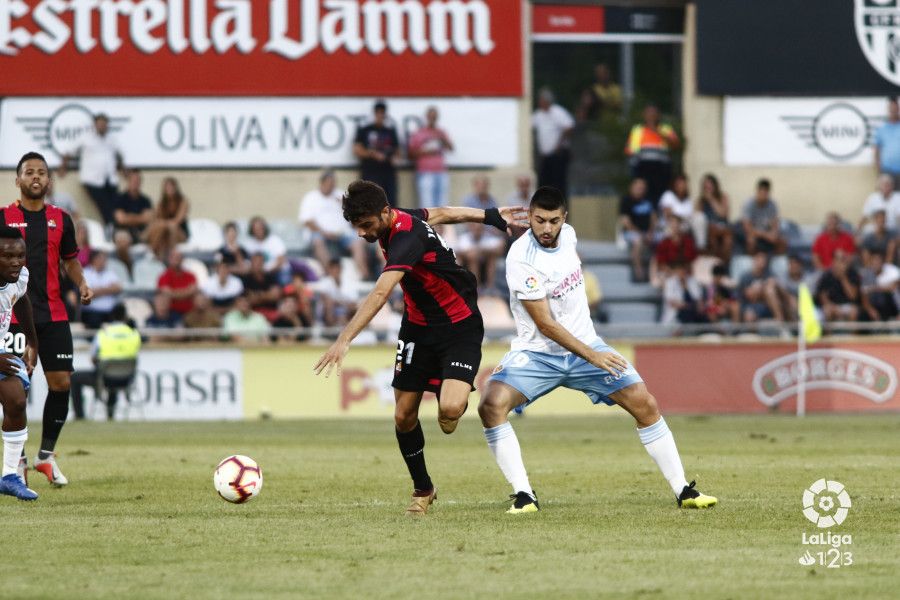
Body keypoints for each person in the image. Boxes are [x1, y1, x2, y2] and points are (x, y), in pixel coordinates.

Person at [477, 187, 716, 514]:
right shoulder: (520, 258)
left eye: (553, 221)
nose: (546, 229)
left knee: (644, 403)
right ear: (529, 218)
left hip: (587, 345)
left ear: (565, 219)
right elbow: (546, 325)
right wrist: (594, 356)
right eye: (538, 221)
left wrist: (592, 351)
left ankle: (684, 490)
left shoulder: (570, 237)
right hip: (539, 354)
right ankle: (524, 495)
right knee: (491, 405)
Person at [314, 180, 525, 515]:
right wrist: (489, 216)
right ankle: (423, 489)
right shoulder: (398, 219)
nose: (361, 234)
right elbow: (442, 213)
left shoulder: (405, 237)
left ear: (384, 213)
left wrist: (344, 338)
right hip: (417, 329)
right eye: (356, 227)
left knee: (449, 415)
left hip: (459, 326)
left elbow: (381, 294)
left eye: (366, 226)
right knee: (402, 415)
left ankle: (462, 384)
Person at [2, 152, 94, 488]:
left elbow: (70, 260)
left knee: (61, 384)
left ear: (49, 181)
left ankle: (45, 457)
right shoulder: (4, 217)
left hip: (54, 314)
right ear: (18, 180)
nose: (36, 177)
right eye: (29, 172)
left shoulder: (61, 219)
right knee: (14, 392)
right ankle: (19, 461)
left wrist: (81, 282)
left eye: (41, 172)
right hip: (13, 317)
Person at [0, 227, 40, 500]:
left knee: (16, 401)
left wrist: (32, 342)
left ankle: (9, 476)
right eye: (7, 256)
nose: (16, 262)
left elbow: (21, 299)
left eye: (20, 255)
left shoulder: (18, 277)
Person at [69, 304, 140, 421]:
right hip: (127, 378)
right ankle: (110, 415)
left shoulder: (103, 334)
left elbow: (92, 358)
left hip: (105, 378)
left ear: (111, 316)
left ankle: (80, 416)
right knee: (115, 371)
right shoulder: (134, 334)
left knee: (75, 378)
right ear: (125, 316)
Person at [299, 169, 369, 280]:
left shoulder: (340, 195)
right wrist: (325, 233)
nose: (331, 187)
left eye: (333, 184)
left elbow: (356, 217)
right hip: (320, 233)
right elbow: (307, 221)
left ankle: (364, 275)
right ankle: (331, 276)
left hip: (342, 233)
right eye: (329, 184)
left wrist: (346, 205)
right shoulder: (311, 197)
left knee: (358, 241)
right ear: (322, 183)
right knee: (317, 242)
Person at [60, 113, 123, 225]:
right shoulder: (86, 138)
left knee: (115, 208)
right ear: (95, 125)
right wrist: (63, 168)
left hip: (110, 180)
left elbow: (119, 155)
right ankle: (111, 229)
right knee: (106, 208)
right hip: (92, 180)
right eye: (100, 124)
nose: (102, 126)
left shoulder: (111, 139)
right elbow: (69, 151)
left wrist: (125, 171)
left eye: (104, 124)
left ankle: (112, 227)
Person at [455, 175, 506, 291]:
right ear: (475, 186)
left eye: (484, 185)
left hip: (487, 236)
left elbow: (497, 222)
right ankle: (476, 288)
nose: (482, 188)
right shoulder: (468, 200)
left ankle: (490, 288)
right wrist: (479, 229)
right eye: (479, 185)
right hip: (471, 235)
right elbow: (466, 221)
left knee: (498, 247)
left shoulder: (492, 200)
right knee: (473, 255)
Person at [625, 105, 681, 205]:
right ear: (644, 115)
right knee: (644, 197)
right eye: (649, 114)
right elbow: (629, 151)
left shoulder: (666, 129)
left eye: (654, 114)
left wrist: (657, 132)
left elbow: (676, 145)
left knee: (661, 197)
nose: (651, 116)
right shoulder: (637, 131)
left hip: (661, 171)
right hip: (643, 170)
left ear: (658, 116)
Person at [353, 100, 400, 207]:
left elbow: (398, 152)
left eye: (382, 113)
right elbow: (357, 150)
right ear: (374, 113)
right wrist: (372, 154)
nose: (380, 115)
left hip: (388, 174)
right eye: (378, 112)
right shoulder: (365, 130)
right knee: (370, 203)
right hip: (370, 173)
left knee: (390, 204)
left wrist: (394, 158)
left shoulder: (390, 131)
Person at [532, 87, 575, 198]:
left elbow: (569, 127)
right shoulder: (538, 115)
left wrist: (559, 144)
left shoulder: (557, 112)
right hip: (546, 156)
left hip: (558, 154)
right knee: (544, 184)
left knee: (559, 185)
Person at [408, 106, 454, 208]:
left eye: (435, 117)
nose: (433, 119)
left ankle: (441, 225)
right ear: (427, 117)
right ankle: (428, 224)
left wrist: (442, 139)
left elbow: (451, 148)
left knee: (443, 205)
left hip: (441, 172)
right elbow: (410, 154)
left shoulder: (441, 132)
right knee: (427, 205)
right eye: (431, 117)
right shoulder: (418, 133)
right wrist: (425, 151)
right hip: (425, 173)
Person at [112, 169, 153, 270]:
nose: (135, 182)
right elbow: (121, 219)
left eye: (138, 180)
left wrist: (128, 217)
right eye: (133, 180)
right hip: (123, 231)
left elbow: (148, 218)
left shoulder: (145, 200)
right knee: (122, 242)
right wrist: (139, 218)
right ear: (128, 181)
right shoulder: (120, 198)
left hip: (141, 232)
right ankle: (129, 268)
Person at [619, 178, 656, 282]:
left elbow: (654, 217)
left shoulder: (648, 200)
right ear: (632, 187)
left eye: (643, 188)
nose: (641, 190)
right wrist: (641, 234)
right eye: (639, 188)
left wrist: (650, 232)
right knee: (638, 241)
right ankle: (638, 272)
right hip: (631, 233)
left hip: (648, 232)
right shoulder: (626, 200)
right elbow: (626, 222)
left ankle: (655, 272)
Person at [144, 177, 190, 259]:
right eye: (167, 187)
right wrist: (162, 224)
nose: (169, 189)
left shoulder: (183, 201)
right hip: (164, 233)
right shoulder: (161, 203)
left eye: (171, 187)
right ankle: (157, 255)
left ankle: (155, 250)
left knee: (171, 227)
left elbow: (177, 221)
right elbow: (157, 218)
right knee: (160, 229)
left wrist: (163, 224)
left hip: (180, 232)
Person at [739, 179, 786, 255]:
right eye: (762, 192)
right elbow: (747, 228)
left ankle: (775, 261)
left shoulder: (772, 204)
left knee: (782, 241)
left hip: (766, 232)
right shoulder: (748, 204)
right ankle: (752, 262)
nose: (763, 195)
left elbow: (775, 222)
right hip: (754, 233)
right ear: (757, 191)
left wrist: (774, 232)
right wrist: (766, 235)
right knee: (751, 240)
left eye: (766, 192)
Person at [815, 250, 862, 323]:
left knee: (854, 312)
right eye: (839, 260)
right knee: (827, 311)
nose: (841, 263)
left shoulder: (852, 274)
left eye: (843, 260)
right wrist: (831, 306)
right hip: (832, 305)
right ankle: (828, 334)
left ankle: (853, 334)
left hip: (848, 305)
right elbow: (822, 296)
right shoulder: (826, 276)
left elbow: (853, 296)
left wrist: (843, 278)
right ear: (834, 261)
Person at [80, 250, 123, 330]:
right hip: (91, 311)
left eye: (105, 259)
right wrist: (108, 289)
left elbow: (118, 288)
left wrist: (97, 291)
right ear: (94, 259)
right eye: (101, 258)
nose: (104, 261)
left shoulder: (110, 273)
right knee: (94, 321)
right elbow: (86, 293)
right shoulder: (84, 273)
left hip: (110, 311)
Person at [738, 252, 786, 324]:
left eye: (764, 260)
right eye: (759, 259)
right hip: (751, 304)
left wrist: (759, 290)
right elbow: (750, 296)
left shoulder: (769, 273)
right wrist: (763, 288)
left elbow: (776, 287)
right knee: (749, 315)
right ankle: (751, 334)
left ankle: (780, 321)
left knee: (770, 291)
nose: (762, 262)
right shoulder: (746, 276)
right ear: (754, 260)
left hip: (766, 304)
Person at [697, 174, 733, 263]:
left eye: (710, 184)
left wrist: (712, 200)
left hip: (722, 227)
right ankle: (716, 261)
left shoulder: (723, 197)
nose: (708, 187)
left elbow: (723, 214)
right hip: (709, 228)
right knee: (712, 238)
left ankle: (725, 263)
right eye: (706, 185)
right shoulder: (701, 201)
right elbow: (698, 218)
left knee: (728, 240)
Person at [861, 251, 900, 321]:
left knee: (889, 295)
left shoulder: (892, 270)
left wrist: (874, 288)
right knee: (862, 314)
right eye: (874, 261)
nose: (876, 263)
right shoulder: (867, 274)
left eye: (878, 260)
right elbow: (864, 294)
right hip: (875, 304)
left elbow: (894, 287)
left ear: (883, 262)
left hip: (891, 304)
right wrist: (870, 310)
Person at [157, 249, 197, 317]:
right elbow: (166, 293)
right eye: (174, 258)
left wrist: (174, 293)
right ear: (169, 259)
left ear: (182, 259)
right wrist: (186, 293)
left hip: (190, 312)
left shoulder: (190, 275)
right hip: (171, 313)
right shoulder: (164, 276)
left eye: (178, 258)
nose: (176, 260)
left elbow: (193, 290)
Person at [874, 97, 900, 187]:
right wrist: (879, 172)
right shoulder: (882, 129)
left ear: (898, 109)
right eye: (891, 109)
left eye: (895, 109)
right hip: (886, 172)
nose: (893, 111)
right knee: (886, 200)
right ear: (888, 110)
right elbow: (877, 152)